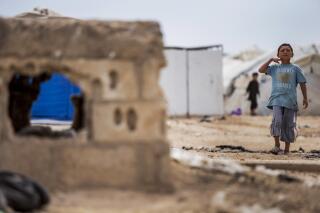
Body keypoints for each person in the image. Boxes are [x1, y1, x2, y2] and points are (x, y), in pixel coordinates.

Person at [258, 43, 308, 154]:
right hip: (276, 99)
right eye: (282, 50)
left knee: (288, 124)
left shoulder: (296, 68)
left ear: (292, 54)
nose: (285, 52)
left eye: (288, 50)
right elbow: (261, 70)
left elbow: (302, 83)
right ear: (278, 54)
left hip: (290, 101)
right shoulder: (274, 68)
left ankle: (286, 150)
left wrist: (305, 98)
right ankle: (276, 145)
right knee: (277, 121)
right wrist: (270, 59)